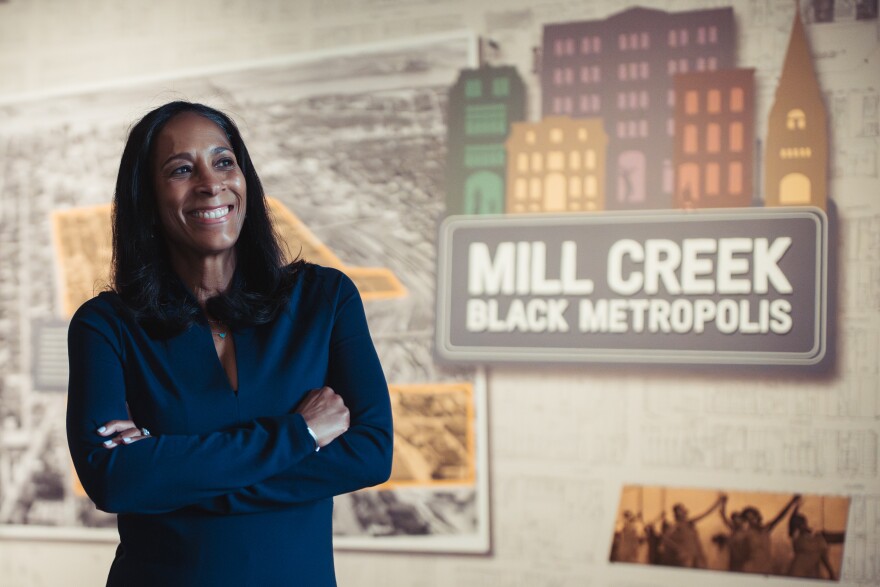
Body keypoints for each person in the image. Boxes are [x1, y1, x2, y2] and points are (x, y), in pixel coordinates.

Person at [66, 101, 394, 586]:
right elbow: (114, 481)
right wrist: (297, 436)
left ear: (245, 179)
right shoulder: (106, 325)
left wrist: (171, 477)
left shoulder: (324, 299)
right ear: (147, 197)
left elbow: (371, 452)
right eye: (181, 169)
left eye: (224, 162)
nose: (210, 183)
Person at [740, 494, 800, 575]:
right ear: (746, 521)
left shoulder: (766, 529)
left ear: (758, 516)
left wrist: (791, 502)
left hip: (766, 569)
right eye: (748, 519)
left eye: (753, 517)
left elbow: (780, 517)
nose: (752, 520)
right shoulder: (746, 533)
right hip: (750, 570)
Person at [659, 496, 723, 568]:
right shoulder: (675, 525)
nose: (682, 512)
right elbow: (665, 538)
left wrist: (718, 503)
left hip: (696, 556)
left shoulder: (689, 522)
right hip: (686, 559)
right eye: (680, 510)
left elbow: (705, 514)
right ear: (676, 513)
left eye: (682, 510)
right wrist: (679, 550)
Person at [787, 502, 836, 579]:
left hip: (807, 576)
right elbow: (791, 522)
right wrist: (796, 506)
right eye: (801, 524)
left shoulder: (817, 539)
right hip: (795, 575)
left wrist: (832, 574)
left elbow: (824, 558)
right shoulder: (797, 538)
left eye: (804, 523)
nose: (804, 525)